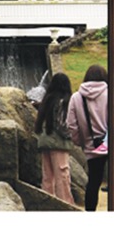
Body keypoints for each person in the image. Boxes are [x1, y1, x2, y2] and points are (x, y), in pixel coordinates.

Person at [65, 64, 109, 211]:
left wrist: (81, 142)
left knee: (93, 183)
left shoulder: (76, 97)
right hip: (112, 144)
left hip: (91, 147)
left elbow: (71, 124)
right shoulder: (111, 93)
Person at [34, 73, 78, 205]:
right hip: (58, 144)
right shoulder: (63, 102)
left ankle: (47, 205)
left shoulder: (47, 100)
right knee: (62, 176)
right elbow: (62, 125)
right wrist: (72, 136)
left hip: (45, 142)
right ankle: (65, 205)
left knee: (47, 177)